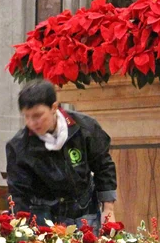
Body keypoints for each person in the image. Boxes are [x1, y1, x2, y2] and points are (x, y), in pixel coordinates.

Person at [6, 80, 117, 232]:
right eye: (27, 116)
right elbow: (19, 194)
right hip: (43, 220)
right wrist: (21, 229)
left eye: (38, 115)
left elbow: (103, 167)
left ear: (54, 107)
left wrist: (108, 209)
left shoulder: (85, 128)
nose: (32, 122)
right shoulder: (18, 146)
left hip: (84, 214)